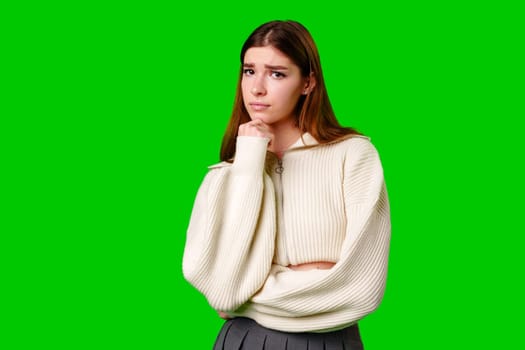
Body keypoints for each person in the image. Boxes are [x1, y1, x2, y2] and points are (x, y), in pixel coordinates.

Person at [182, 20, 391, 350]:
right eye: (249, 71)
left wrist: (244, 295)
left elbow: (360, 290)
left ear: (308, 82)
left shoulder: (353, 156)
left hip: (328, 343)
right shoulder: (225, 174)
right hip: (243, 342)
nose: (257, 88)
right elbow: (218, 289)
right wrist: (249, 162)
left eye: (277, 73)